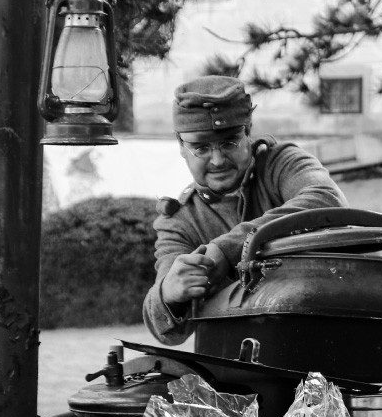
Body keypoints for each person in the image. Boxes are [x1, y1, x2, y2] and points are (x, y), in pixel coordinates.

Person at [143, 75, 346, 344]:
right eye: (201, 148)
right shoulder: (180, 221)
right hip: (237, 359)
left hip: (321, 335)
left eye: (229, 143)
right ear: (181, 146)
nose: (217, 160)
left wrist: (226, 250)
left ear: (248, 132)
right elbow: (167, 332)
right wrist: (170, 292)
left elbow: (327, 199)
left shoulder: (281, 165)